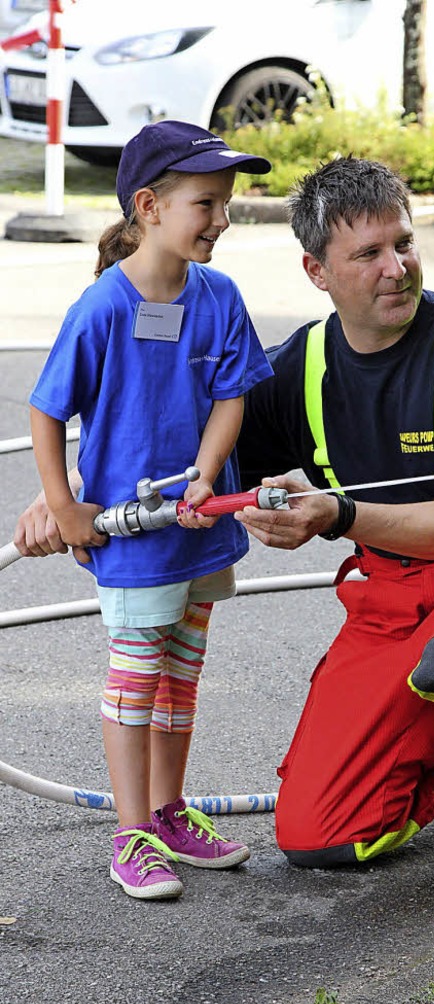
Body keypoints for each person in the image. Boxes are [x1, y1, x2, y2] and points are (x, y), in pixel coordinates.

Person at [16, 157, 434, 883]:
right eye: (369, 253)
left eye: (404, 243)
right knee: (320, 836)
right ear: (317, 271)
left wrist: (338, 514)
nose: (397, 268)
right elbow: (193, 453)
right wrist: (69, 495)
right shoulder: (300, 369)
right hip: (397, 588)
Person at [25, 120, 274, 900]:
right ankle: (131, 832)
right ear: (150, 206)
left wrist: (205, 477)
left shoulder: (219, 297)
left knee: (181, 676)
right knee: (136, 680)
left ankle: (169, 811)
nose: (222, 220)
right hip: (131, 542)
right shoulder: (102, 307)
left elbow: (230, 395)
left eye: (226, 203)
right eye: (207, 203)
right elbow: (46, 411)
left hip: (199, 537)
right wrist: (64, 507)